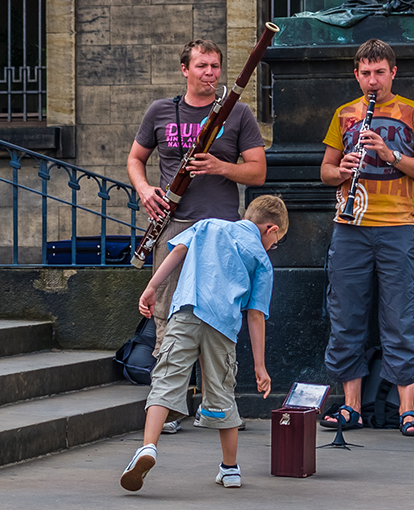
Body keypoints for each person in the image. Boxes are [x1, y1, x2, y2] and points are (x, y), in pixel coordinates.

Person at [120, 195, 288, 492]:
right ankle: (230, 468)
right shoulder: (261, 259)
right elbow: (256, 316)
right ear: (271, 229)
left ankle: (147, 447)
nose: (272, 248)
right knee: (222, 392)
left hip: (186, 311)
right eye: (276, 242)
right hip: (222, 328)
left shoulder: (208, 225)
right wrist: (260, 367)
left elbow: (178, 251)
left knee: (165, 380)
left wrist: (152, 286)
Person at [319, 39, 414, 437]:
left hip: (397, 227)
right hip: (349, 225)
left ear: (393, 72)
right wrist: (341, 171)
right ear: (356, 75)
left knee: (401, 316)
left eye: (380, 72)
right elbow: (324, 171)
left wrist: (390, 156)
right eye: (366, 73)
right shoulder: (343, 114)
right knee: (346, 315)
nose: (373, 80)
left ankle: (407, 409)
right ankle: (351, 405)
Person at [127, 38, 267, 357]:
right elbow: (135, 159)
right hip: (173, 225)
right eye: (201, 66)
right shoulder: (160, 110)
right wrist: (145, 189)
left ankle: (210, 400)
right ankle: (168, 399)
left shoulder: (238, 113)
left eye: (215, 66)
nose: (210, 73)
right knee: (165, 313)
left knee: (216, 313)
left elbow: (258, 172)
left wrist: (220, 167)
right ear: (184, 70)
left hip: (220, 228)